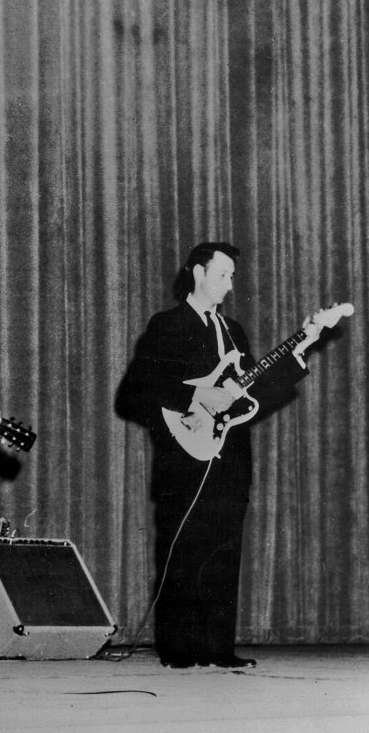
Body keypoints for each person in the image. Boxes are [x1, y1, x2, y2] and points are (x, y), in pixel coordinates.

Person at [115, 242, 305, 669]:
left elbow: (256, 395)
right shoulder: (167, 324)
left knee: (223, 551)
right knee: (183, 550)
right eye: (222, 274)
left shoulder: (234, 331)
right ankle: (180, 649)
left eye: (232, 276)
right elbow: (132, 394)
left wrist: (297, 355)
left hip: (230, 457)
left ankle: (218, 647)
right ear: (197, 273)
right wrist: (197, 395)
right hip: (183, 456)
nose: (229, 284)